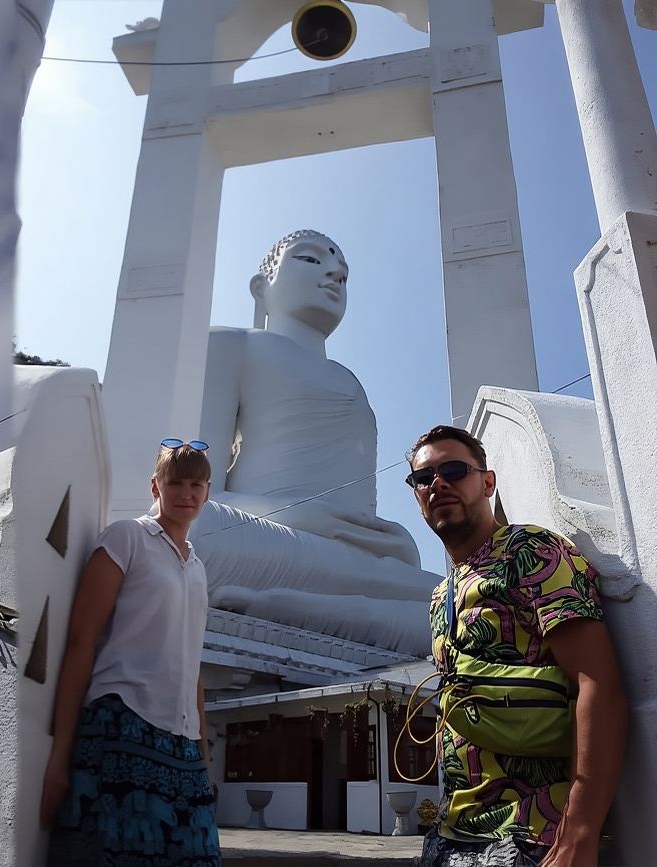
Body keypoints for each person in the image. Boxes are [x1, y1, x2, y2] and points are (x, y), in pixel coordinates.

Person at [193, 229, 436, 656]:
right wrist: (302, 517)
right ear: (260, 286)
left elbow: (364, 520)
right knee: (196, 532)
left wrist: (392, 541)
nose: (333, 274)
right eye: (310, 260)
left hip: (351, 556)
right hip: (264, 537)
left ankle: (301, 607)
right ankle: (363, 614)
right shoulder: (229, 345)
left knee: (466, 598)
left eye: (342, 273)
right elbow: (196, 492)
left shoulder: (353, 383)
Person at [406, 425, 627, 867]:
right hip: (453, 831)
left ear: (487, 482)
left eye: (454, 469)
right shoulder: (440, 594)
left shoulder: (532, 551)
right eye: (424, 478)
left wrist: (580, 828)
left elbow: (597, 682)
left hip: (533, 833)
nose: (439, 483)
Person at [41, 440, 220, 866]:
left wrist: (204, 752)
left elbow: (192, 662)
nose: (187, 493)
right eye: (176, 482)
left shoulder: (197, 567)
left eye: (197, 484)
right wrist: (59, 757)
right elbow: (81, 640)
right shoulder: (127, 538)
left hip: (183, 742)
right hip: (122, 723)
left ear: (208, 491)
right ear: (156, 486)